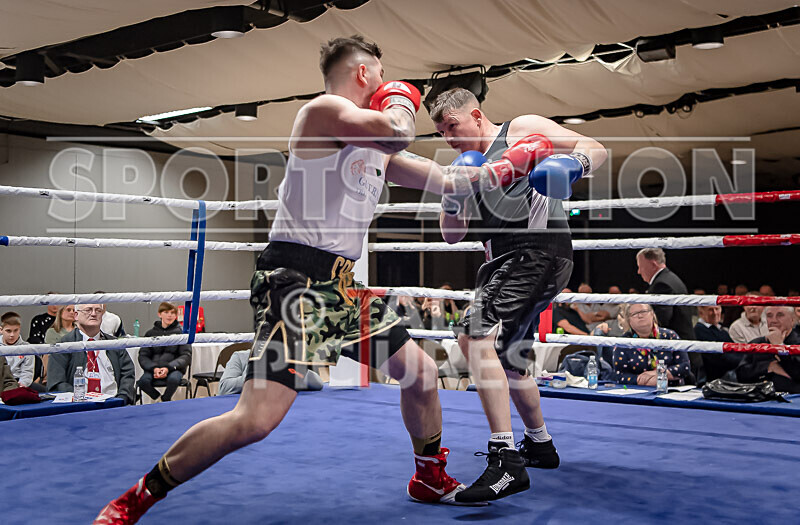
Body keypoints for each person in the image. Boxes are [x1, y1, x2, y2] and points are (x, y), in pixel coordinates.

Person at [96, 35, 519, 522]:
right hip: (296, 283)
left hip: (343, 286)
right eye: (380, 74)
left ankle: (428, 476)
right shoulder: (321, 113)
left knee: (421, 373)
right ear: (364, 73)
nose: (384, 82)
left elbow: (445, 179)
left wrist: (514, 166)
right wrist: (404, 97)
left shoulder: (375, 145)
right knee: (253, 421)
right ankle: (138, 496)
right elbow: (398, 131)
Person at [430, 86, 607, 502]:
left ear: (475, 115)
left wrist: (574, 163)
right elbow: (451, 236)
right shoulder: (462, 168)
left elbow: (593, 145)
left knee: (473, 337)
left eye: (452, 127)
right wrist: (453, 196)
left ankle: (504, 460)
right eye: (441, 133)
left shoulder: (518, 131)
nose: (449, 139)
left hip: (536, 250)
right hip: (502, 263)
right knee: (509, 359)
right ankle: (540, 445)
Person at [47, 304, 135, 405]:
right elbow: (56, 382)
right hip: (78, 406)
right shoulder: (64, 346)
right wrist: (80, 399)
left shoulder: (114, 344)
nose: (93, 314)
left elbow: (128, 374)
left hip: (114, 403)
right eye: (88, 310)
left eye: (98, 310)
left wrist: (121, 399)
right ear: (76, 315)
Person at [635, 248, 699, 380]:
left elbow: (661, 322)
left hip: (678, 357)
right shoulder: (671, 278)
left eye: (640, 266)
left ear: (653, 264)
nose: (639, 272)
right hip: (684, 351)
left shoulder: (662, 284)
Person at [610, 304, 691, 386]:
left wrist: (658, 374)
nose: (640, 316)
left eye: (643, 311)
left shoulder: (670, 336)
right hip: (638, 392)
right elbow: (619, 376)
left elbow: (685, 367)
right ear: (629, 320)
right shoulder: (623, 342)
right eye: (634, 314)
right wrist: (642, 380)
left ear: (652, 314)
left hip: (672, 389)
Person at [737, 306, 800, 393]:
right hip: (759, 399)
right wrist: (768, 367)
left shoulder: (798, 342)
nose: (773, 320)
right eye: (769, 316)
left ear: (792, 320)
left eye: (780, 315)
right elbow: (741, 374)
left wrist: (780, 347)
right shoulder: (756, 343)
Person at [137, 303, 191, 402]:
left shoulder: (182, 334)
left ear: (176, 315)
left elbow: (186, 355)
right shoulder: (150, 334)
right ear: (159, 314)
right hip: (153, 369)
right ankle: (158, 399)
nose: (169, 315)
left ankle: (165, 400)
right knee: (143, 382)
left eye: (172, 313)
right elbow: (143, 355)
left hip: (174, 369)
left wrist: (168, 367)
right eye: (166, 312)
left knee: (173, 380)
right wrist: (154, 368)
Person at [694, 305, 741, 383]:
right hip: (716, 378)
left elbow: (734, 350)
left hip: (729, 371)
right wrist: (744, 361)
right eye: (710, 310)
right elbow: (718, 358)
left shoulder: (722, 330)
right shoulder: (699, 330)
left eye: (717, 309)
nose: (715, 313)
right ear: (701, 313)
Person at [1, 313, 46, 392]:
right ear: (1, 330)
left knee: (43, 391)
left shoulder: (27, 347)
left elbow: (28, 372)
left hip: (20, 382)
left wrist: (22, 385)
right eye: (8, 331)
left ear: (20, 329)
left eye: (15, 330)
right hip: (1, 382)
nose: (12, 335)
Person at [42, 304, 77, 386]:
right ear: (60, 313)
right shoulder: (52, 332)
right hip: (57, 366)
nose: (72, 312)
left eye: (74, 310)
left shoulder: (80, 331)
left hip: (75, 366)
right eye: (68, 310)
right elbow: (48, 354)